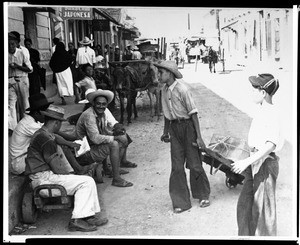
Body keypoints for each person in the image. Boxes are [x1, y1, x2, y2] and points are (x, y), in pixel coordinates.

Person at [25, 105, 108, 232]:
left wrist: (69, 145)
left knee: (85, 180)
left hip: (41, 176)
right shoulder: (46, 140)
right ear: (56, 123)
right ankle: (77, 220)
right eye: (60, 124)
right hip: (43, 179)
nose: (60, 127)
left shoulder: (43, 133)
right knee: (86, 181)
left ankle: (88, 216)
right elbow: (58, 169)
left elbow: (57, 138)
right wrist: (75, 174)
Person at [154, 60, 210, 213]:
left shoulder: (182, 89)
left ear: (170, 74)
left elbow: (193, 114)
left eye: (161, 73)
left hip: (188, 128)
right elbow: (166, 114)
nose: (158, 75)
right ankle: (181, 201)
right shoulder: (163, 91)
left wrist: (199, 137)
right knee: (177, 166)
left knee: (194, 163)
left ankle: (203, 194)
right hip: (174, 129)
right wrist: (165, 132)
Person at [231, 73, 283, 236]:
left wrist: (246, 162)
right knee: (245, 206)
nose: (251, 92)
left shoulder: (273, 113)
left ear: (263, 93)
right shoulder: (261, 111)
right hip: (254, 161)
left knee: (262, 214)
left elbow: (270, 145)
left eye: (254, 89)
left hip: (265, 164)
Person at [9, 93, 94, 176]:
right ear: (37, 113)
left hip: (27, 156)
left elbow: (54, 131)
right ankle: (76, 170)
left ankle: (71, 170)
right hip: (20, 162)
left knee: (58, 146)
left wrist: (72, 138)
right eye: (45, 115)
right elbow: (53, 136)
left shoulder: (33, 120)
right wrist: (69, 142)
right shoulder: (28, 124)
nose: (47, 118)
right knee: (59, 146)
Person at [76, 89, 137, 188]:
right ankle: (116, 179)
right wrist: (115, 137)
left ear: (106, 105)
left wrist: (117, 134)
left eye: (104, 104)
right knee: (113, 144)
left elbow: (102, 134)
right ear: (93, 104)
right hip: (83, 152)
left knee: (119, 138)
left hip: (91, 147)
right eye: (98, 104)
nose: (101, 106)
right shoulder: (89, 116)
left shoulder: (101, 114)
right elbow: (95, 138)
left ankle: (112, 168)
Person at [8, 32, 33, 132]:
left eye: (12, 44)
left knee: (25, 103)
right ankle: (12, 127)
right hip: (10, 81)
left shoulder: (22, 52)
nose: (10, 46)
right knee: (11, 105)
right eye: (8, 44)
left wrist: (17, 66)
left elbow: (30, 69)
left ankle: (26, 125)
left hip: (22, 80)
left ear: (16, 43)